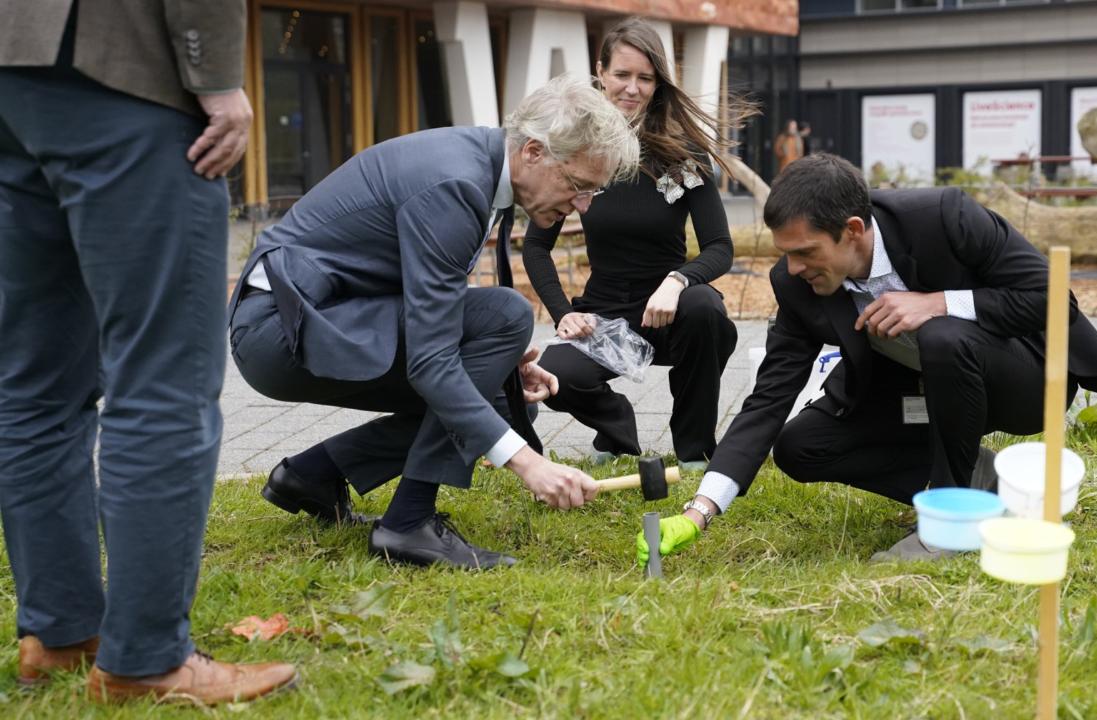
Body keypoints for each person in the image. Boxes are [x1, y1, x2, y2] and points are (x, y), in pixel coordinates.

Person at [0, 0, 297, 705]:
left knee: (34, 378)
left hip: (11, 71)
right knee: (164, 374)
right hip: (119, 63)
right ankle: (148, 659)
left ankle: (61, 631)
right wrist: (215, 74)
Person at [228, 75, 640, 570]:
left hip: (307, 317)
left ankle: (314, 475)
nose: (583, 206)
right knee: (507, 316)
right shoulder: (456, 183)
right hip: (281, 329)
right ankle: (408, 525)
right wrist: (529, 465)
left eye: (591, 192)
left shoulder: (481, 167)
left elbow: (434, 308)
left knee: (505, 404)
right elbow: (431, 361)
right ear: (533, 152)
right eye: (577, 186)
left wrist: (502, 368)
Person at [638, 154, 1097, 564]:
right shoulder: (796, 284)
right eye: (785, 253)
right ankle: (987, 484)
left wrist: (939, 302)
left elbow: (1053, 300)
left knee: (941, 335)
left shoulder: (945, 215)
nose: (793, 268)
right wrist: (700, 509)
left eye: (806, 251)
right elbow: (769, 398)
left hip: (1016, 378)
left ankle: (948, 526)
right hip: (913, 398)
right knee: (800, 445)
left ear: (853, 230)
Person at [523, 17, 754, 470]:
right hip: (606, 318)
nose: (632, 88)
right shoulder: (577, 150)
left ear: (658, 83)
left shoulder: (683, 155)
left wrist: (677, 281)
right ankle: (618, 430)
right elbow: (535, 246)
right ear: (600, 73)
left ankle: (694, 451)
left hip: (670, 315)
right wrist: (564, 314)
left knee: (705, 308)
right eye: (622, 75)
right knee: (557, 378)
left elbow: (720, 247)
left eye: (645, 78)